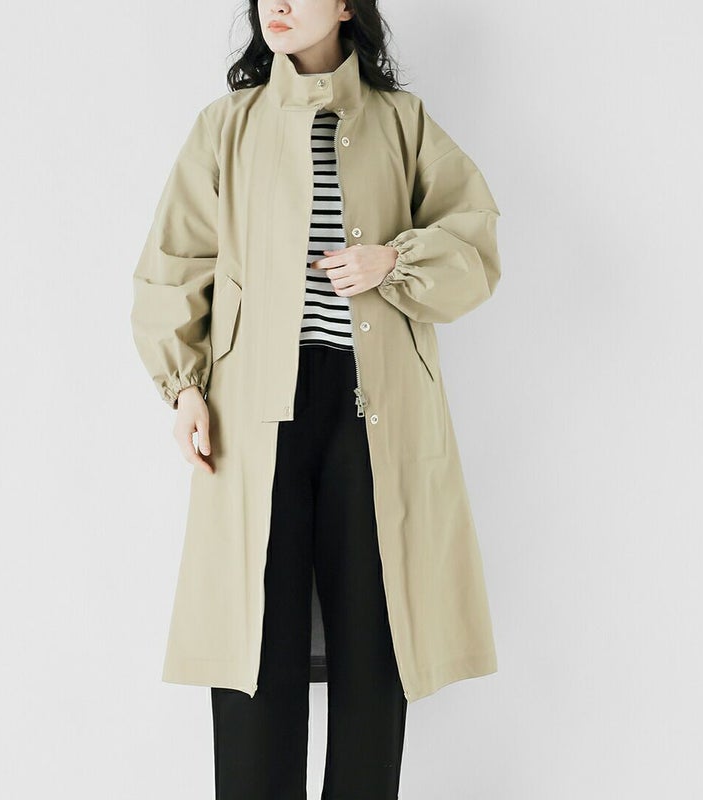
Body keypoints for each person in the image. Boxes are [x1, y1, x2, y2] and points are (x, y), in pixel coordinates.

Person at [131, 2, 503, 798]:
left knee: (376, 635)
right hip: (252, 414)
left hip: (375, 413)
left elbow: (475, 240)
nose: (277, 4)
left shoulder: (402, 123)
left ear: (345, 7)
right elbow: (173, 264)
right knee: (253, 641)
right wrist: (184, 388)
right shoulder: (226, 127)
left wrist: (392, 260)